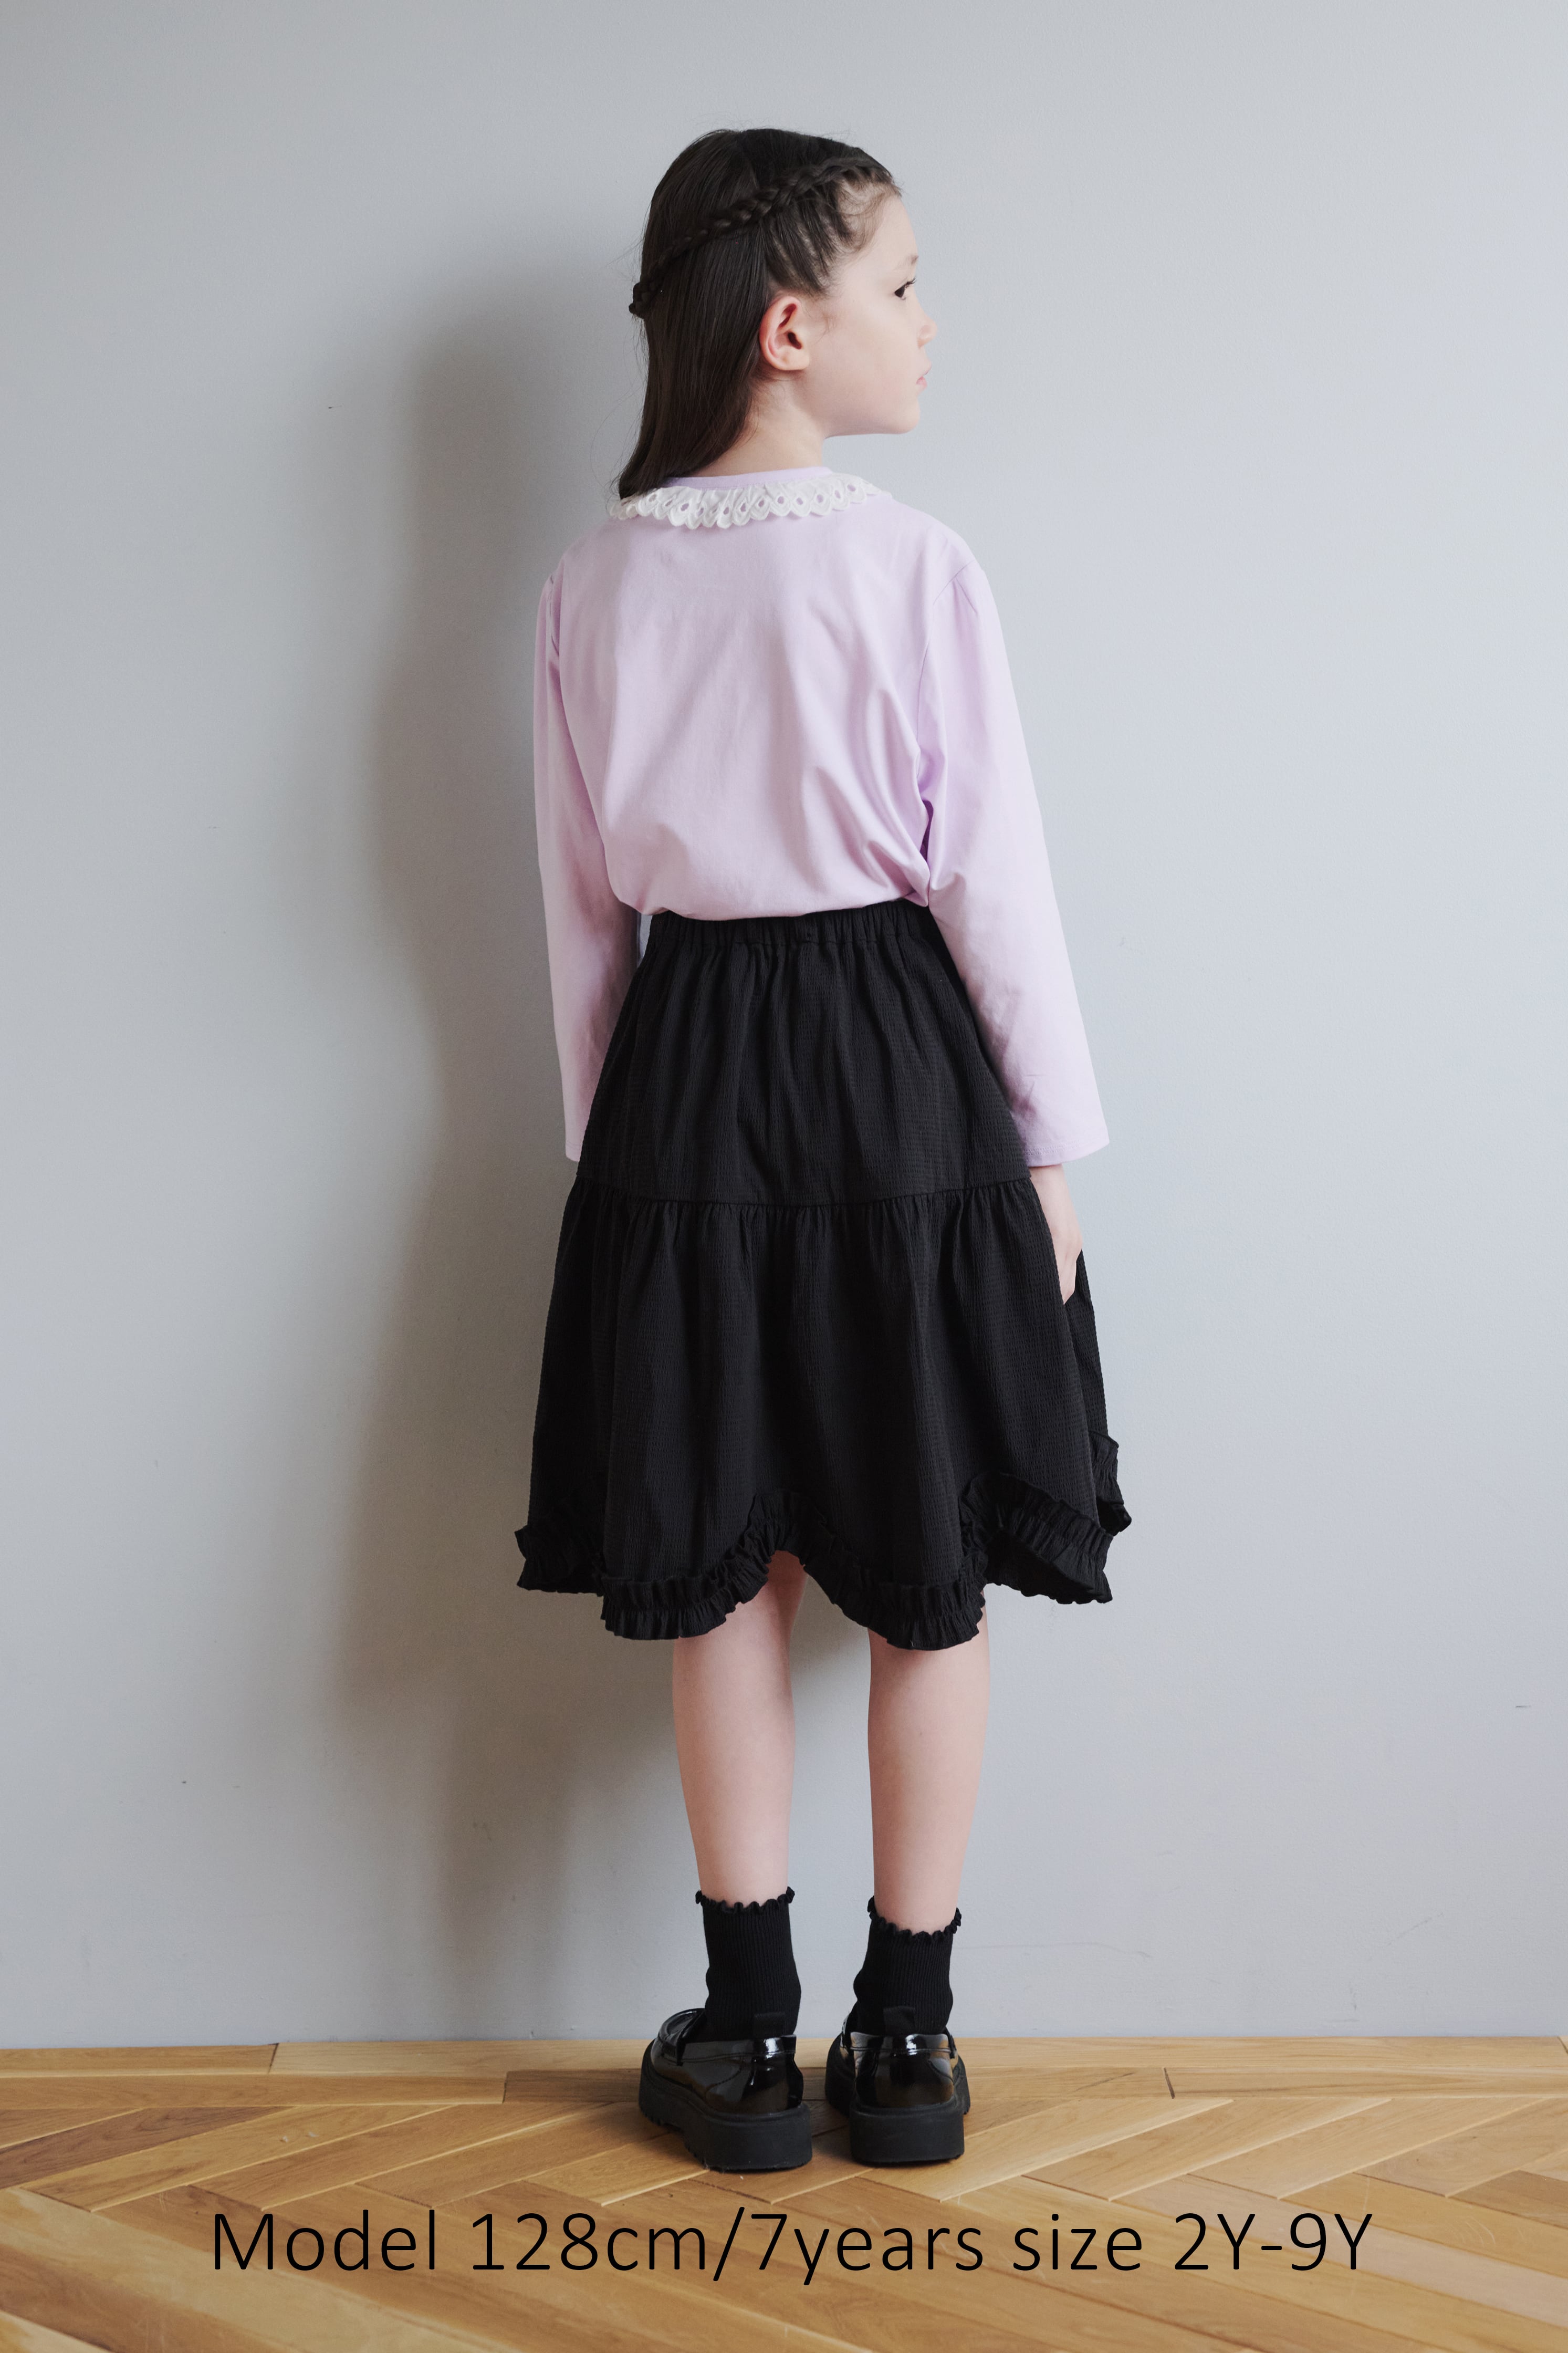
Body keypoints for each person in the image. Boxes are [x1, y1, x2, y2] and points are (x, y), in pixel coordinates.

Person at [515, 125, 1130, 2174]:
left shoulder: (592, 578)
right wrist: (1049, 1152)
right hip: (898, 1071)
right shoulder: (910, 562)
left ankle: (743, 2029)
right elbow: (993, 884)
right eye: (903, 286)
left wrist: (610, 1173)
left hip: (682, 1078)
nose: (929, 324)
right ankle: (908, 2036)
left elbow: (578, 913)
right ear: (792, 326)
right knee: (927, 1572)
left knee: (730, 1576)